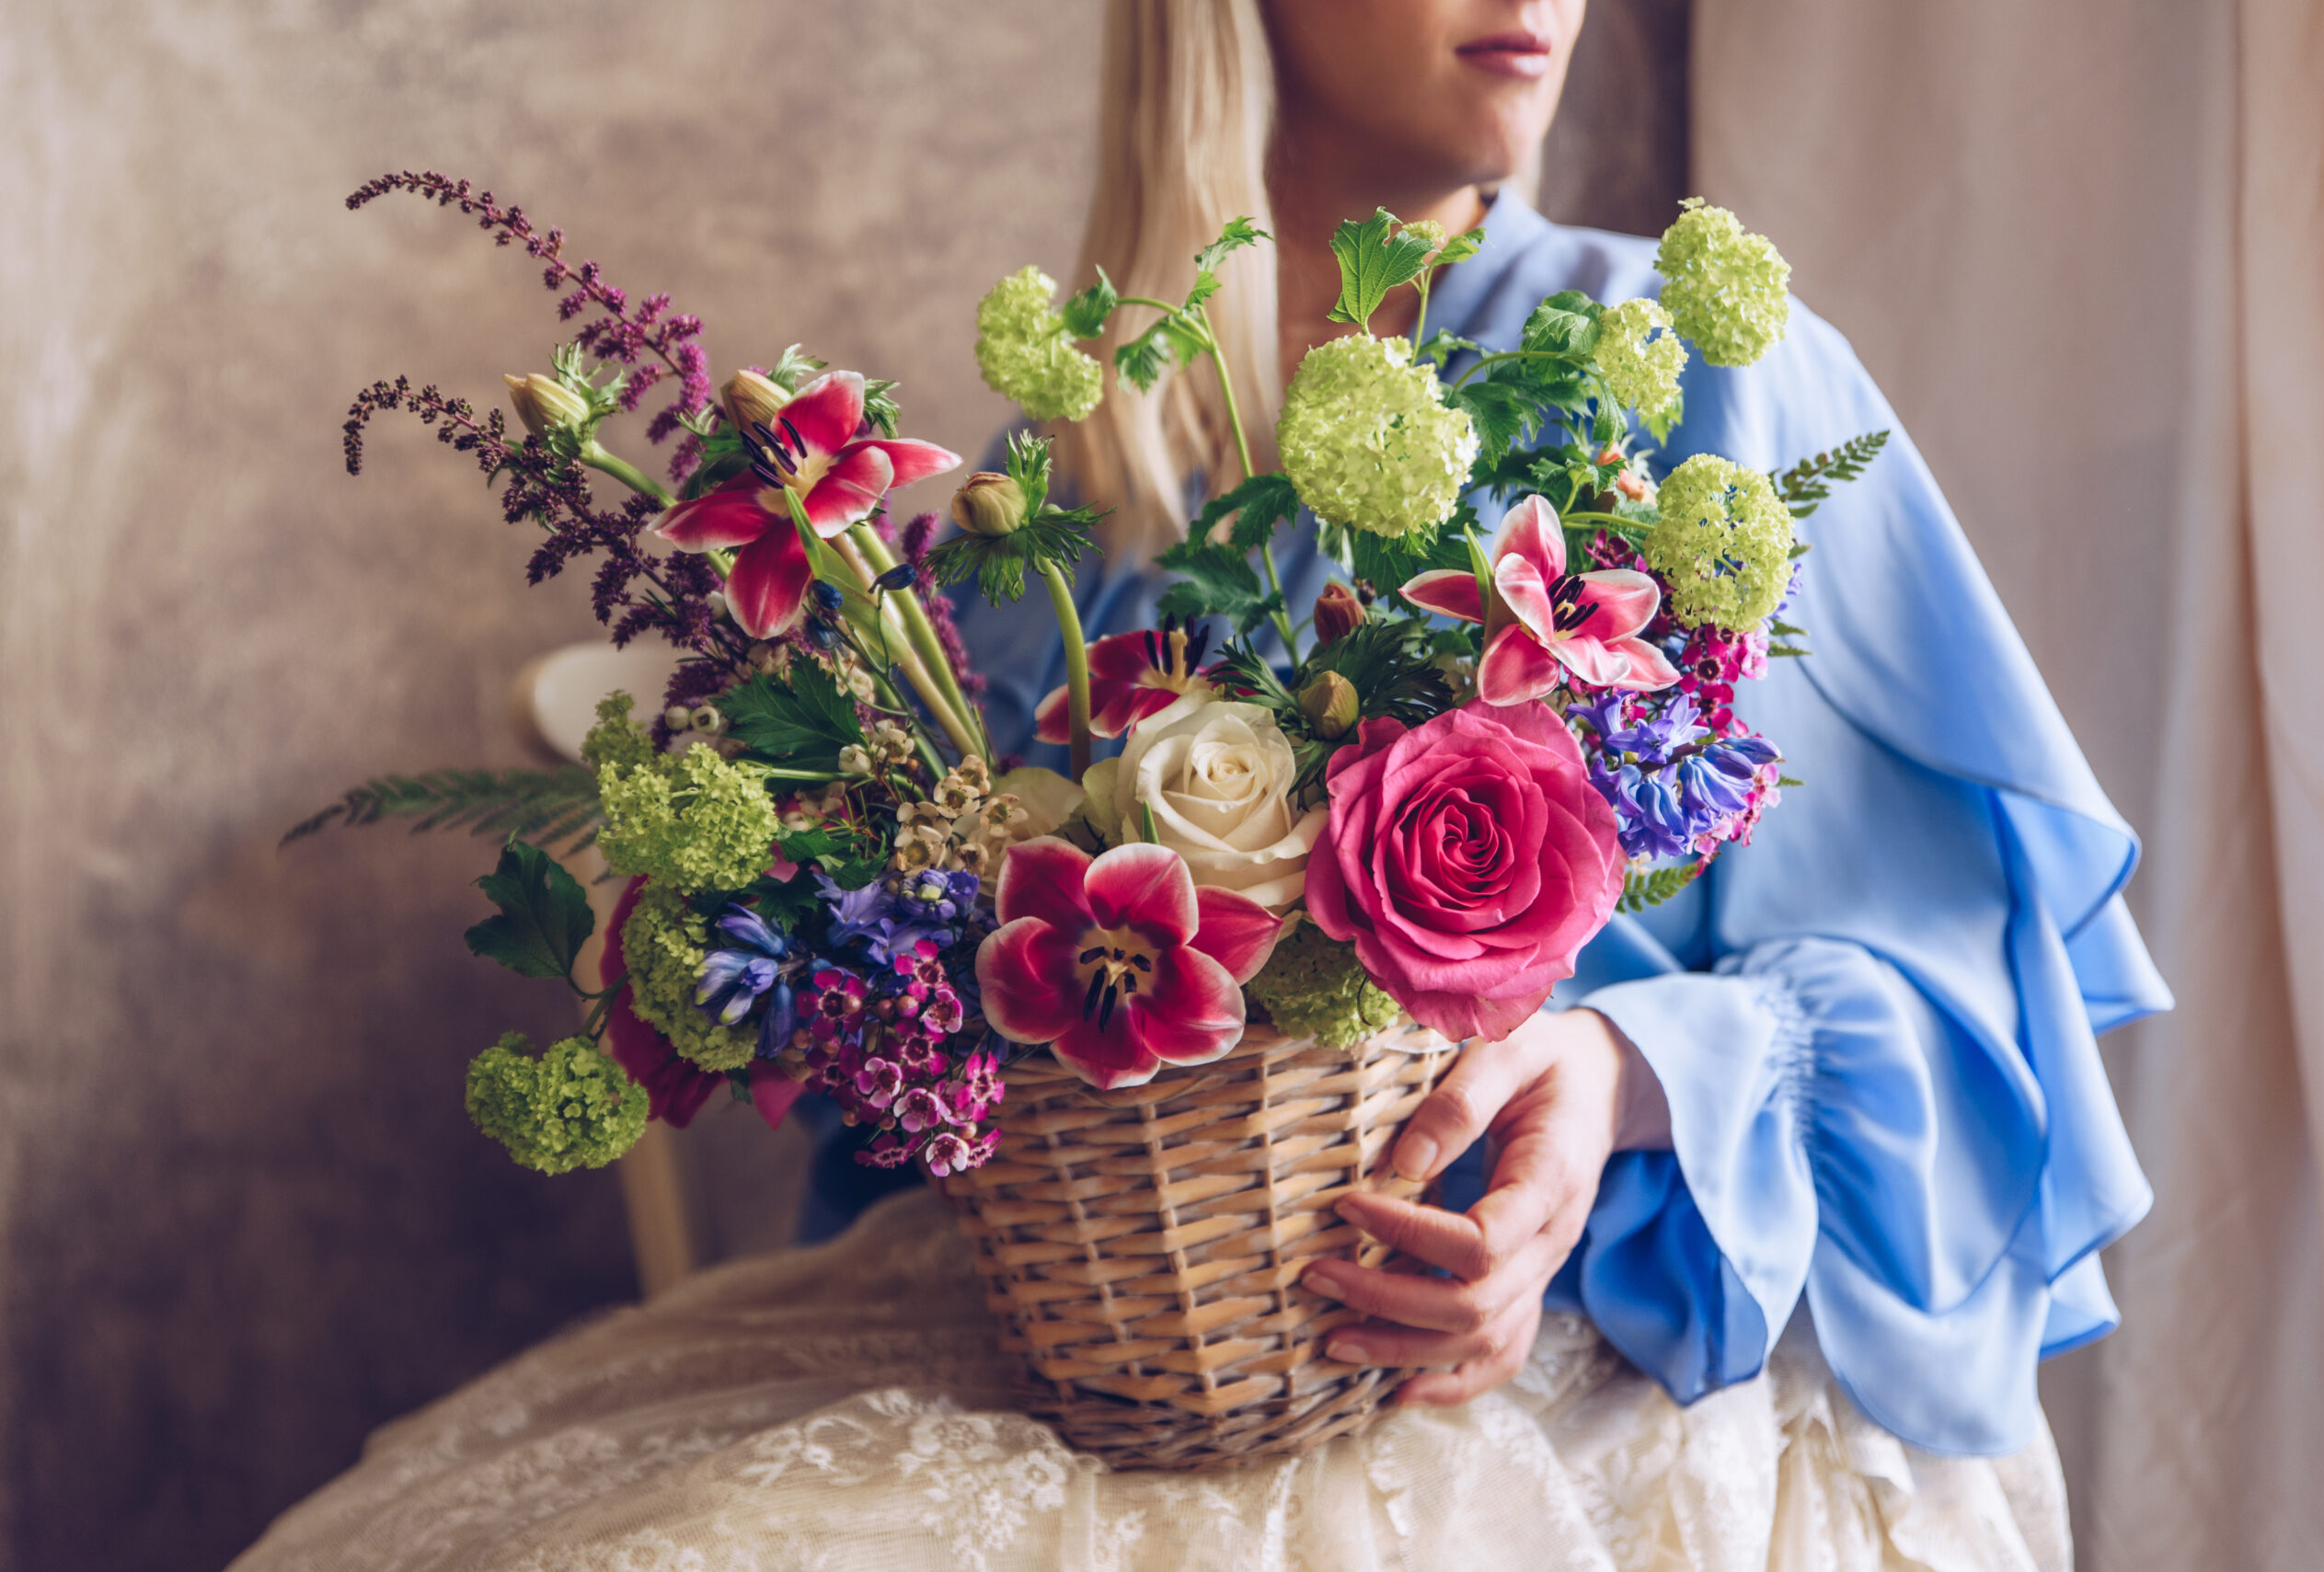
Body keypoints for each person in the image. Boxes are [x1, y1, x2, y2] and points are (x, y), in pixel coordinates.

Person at [234, 3, 2164, 1567]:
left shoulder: (1702, 386)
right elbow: (943, 1112)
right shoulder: (1038, 508)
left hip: (1599, 1347)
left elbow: (1967, 1024)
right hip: (1134, 1368)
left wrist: (1615, 1081)